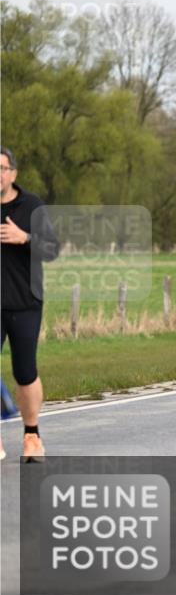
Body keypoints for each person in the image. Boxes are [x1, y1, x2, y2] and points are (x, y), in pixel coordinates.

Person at [0, 146, 60, 462]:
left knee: (25, 372)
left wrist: (24, 238)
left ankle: (32, 436)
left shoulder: (32, 205)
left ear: (13, 172)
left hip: (25, 303)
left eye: (1, 168)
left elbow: (52, 249)